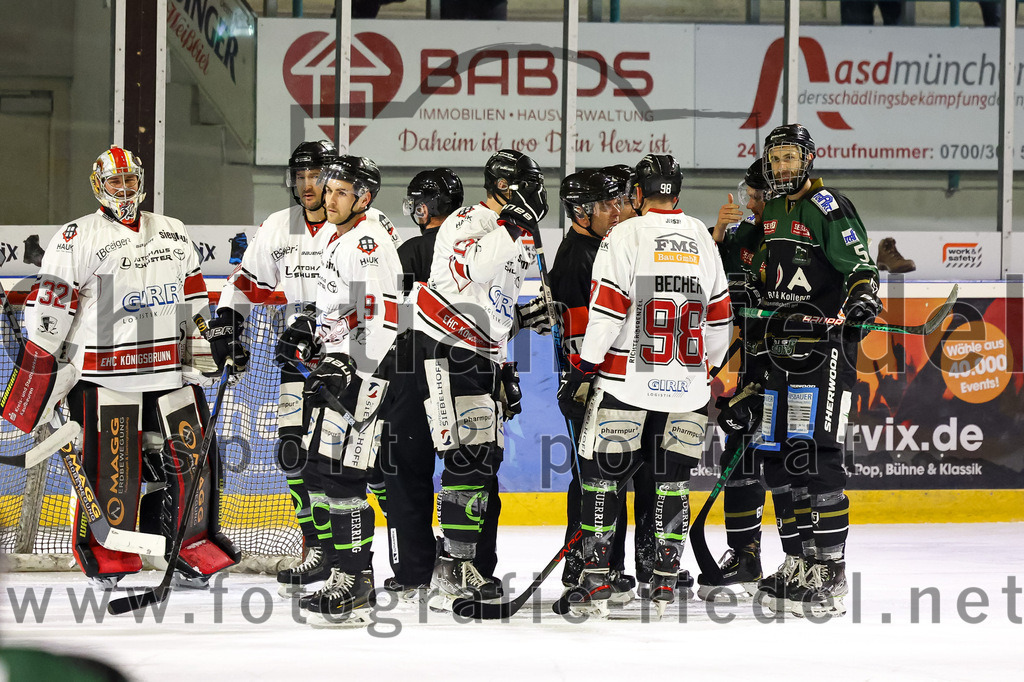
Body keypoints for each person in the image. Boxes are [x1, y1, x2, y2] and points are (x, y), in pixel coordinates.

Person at [0, 145, 239, 588]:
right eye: (115, 181)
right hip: (104, 375)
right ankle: (108, 555)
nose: (124, 189)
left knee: (193, 465)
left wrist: (209, 348)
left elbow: (193, 298)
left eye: (130, 180)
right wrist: (40, 373)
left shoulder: (173, 230)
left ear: (141, 182)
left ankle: (185, 551)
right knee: (113, 472)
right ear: (99, 186)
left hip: (169, 372)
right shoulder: (76, 236)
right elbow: (51, 309)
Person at [557, 154, 733, 618]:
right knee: (672, 484)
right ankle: (663, 580)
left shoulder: (624, 235)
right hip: (689, 390)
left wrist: (583, 369)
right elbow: (720, 318)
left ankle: (597, 578)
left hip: (626, 384)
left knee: (602, 479)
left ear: (637, 193)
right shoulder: (702, 237)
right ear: (677, 192)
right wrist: (709, 369)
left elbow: (608, 311)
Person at [410, 149, 550, 611]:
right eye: (529, 186)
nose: (538, 195)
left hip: (483, 353)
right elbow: (477, 268)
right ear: (506, 187)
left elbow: (494, 304)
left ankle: (460, 562)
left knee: (483, 459)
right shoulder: (468, 221)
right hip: (448, 347)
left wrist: (510, 352)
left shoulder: (518, 234)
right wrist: (515, 223)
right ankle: (452, 568)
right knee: (467, 458)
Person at [754, 123, 881, 618]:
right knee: (780, 456)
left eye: (790, 157)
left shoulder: (829, 206)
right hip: (780, 350)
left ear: (808, 159)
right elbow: (769, 274)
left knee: (818, 455)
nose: (782, 166)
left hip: (823, 351)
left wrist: (863, 296)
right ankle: (799, 561)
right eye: (775, 158)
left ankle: (830, 569)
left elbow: (860, 267)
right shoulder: (772, 210)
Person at [211, 140, 343, 596]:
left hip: (347, 362)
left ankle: (393, 556)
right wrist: (227, 323)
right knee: (293, 455)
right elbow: (244, 283)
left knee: (357, 465)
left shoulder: (361, 224)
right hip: (295, 360)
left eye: (316, 176)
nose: (307, 185)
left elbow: (380, 295)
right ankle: (317, 549)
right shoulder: (278, 226)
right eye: (300, 176)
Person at [286, 155, 402, 626]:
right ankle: (343, 574)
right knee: (322, 471)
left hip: (363, 377)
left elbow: (384, 317)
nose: (328, 198)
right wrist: (309, 330)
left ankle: (356, 582)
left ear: (364, 197)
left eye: (340, 191)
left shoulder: (368, 242)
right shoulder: (342, 237)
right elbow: (342, 308)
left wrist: (353, 365)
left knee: (343, 476)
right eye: (328, 189)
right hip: (340, 370)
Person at [697, 158, 804, 602]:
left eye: (758, 196)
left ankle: (800, 559)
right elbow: (705, 273)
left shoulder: (798, 235)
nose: (751, 203)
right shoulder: (741, 235)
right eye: (751, 194)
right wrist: (718, 233)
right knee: (739, 455)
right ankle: (745, 555)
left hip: (794, 365)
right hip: (752, 367)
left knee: (787, 461)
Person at [549, 167, 646, 604]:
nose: (616, 210)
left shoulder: (600, 246)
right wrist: (583, 381)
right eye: (607, 204)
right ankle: (582, 562)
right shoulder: (579, 256)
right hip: (588, 381)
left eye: (617, 201)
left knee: (606, 474)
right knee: (593, 476)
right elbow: (584, 332)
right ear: (581, 211)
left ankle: (605, 563)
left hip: (595, 379)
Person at [375, 168, 466, 601]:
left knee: (405, 475)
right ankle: (470, 565)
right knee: (468, 475)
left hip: (411, 376)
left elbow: (385, 321)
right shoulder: (472, 252)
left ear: (425, 208)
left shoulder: (408, 251)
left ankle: (413, 571)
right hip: (465, 374)